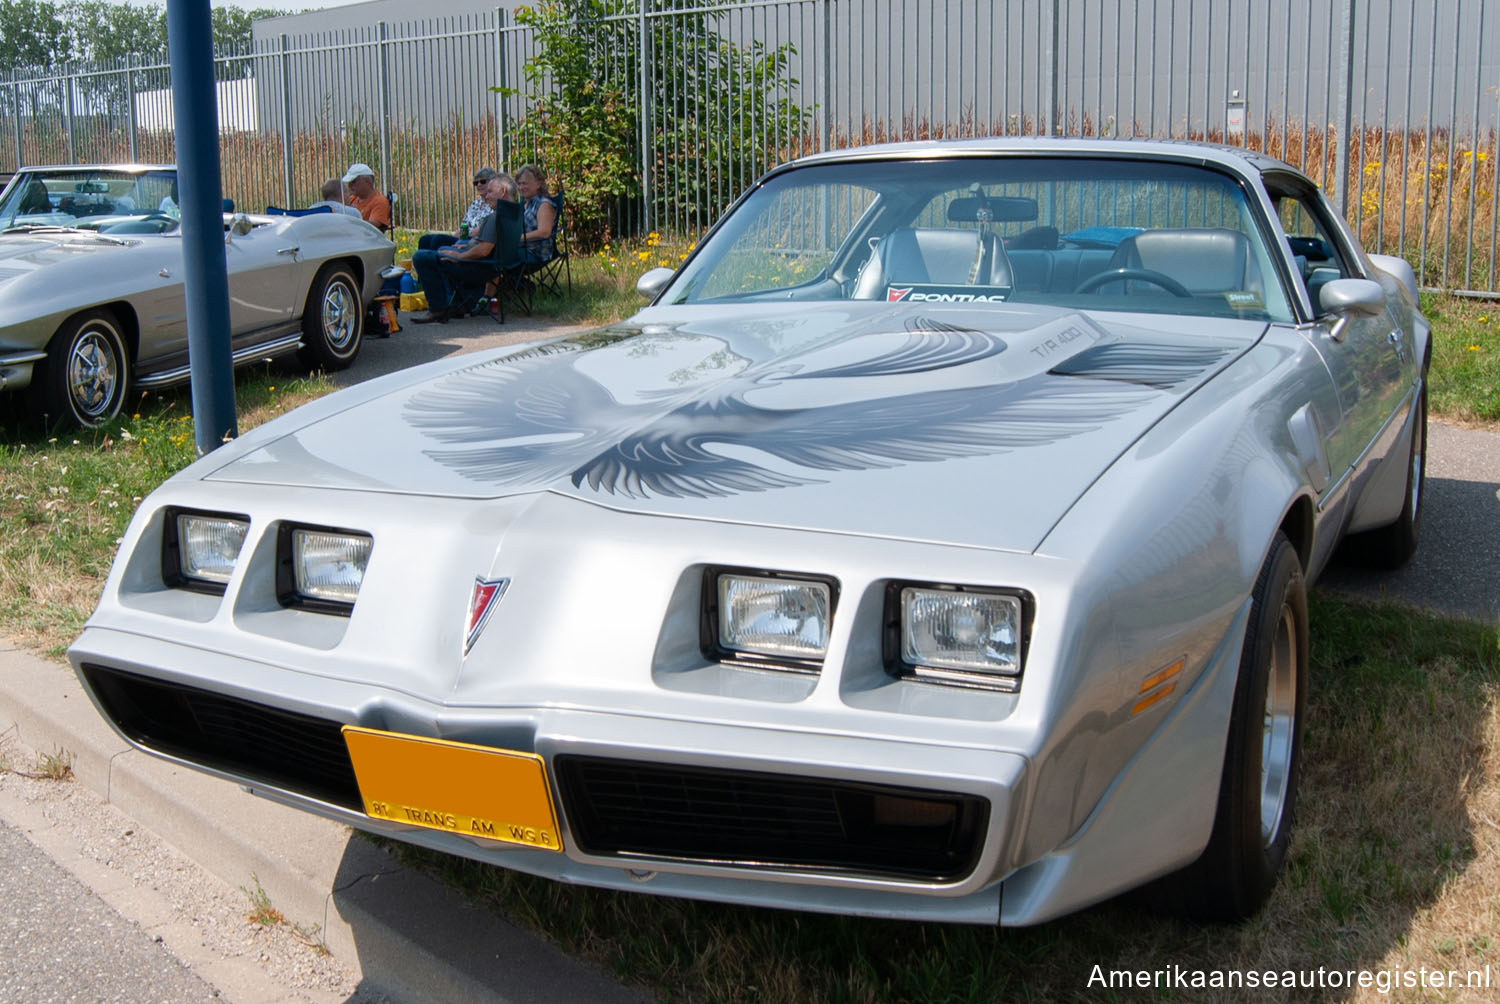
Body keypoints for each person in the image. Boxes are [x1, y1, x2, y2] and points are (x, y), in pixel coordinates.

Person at [409, 174, 506, 324]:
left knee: (421, 257)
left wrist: (458, 256)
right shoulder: (511, 213)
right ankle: (458, 303)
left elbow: (483, 251)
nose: (486, 196)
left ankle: (437, 309)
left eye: (490, 192)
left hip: (480, 267)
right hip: (491, 263)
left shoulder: (495, 218)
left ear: (503, 191)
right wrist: (466, 245)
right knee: (439, 246)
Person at [417, 167, 510, 252]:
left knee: (437, 241)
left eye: (483, 181)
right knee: (425, 239)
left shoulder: (495, 204)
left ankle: (435, 266)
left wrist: (468, 233)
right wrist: (461, 233)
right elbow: (464, 226)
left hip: (474, 241)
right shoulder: (475, 204)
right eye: (476, 183)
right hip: (464, 237)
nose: (479, 185)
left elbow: (483, 230)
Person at [514, 163, 558, 265]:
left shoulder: (544, 204)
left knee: (497, 256)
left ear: (538, 184)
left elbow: (544, 232)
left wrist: (519, 238)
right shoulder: (526, 204)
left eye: (525, 183)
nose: (521, 187)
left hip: (536, 252)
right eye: (519, 184)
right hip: (522, 247)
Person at [341, 162, 391, 228]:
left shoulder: (379, 201)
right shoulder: (351, 199)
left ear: (367, 181)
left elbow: (374, 226)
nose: (349, 185)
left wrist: (349, 223)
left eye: (353, 181)